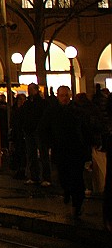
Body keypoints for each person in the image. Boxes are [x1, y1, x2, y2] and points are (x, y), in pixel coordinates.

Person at [38, 86, 93, 219]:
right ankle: (68, 192)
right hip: (60, 150)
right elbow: (43, 129)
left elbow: (86, 130)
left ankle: (77, 204)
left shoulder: (77, 111)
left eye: (66, 95)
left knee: (77, 179)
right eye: (62, 95)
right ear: (57, 96)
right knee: (64, 177)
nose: (64, 98)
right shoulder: (52, 111)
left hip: (76, 151)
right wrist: (49, 144)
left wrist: (87, 149)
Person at [20, 83, 51, 186]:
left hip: (39, 131)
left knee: (43, 155)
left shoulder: (41, 103)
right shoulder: (28, 103)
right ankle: (35, 176)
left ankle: (46, 177)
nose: (29, 91)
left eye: (31, 89)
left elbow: (44, 117)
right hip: (29, 131)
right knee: (32, 155)